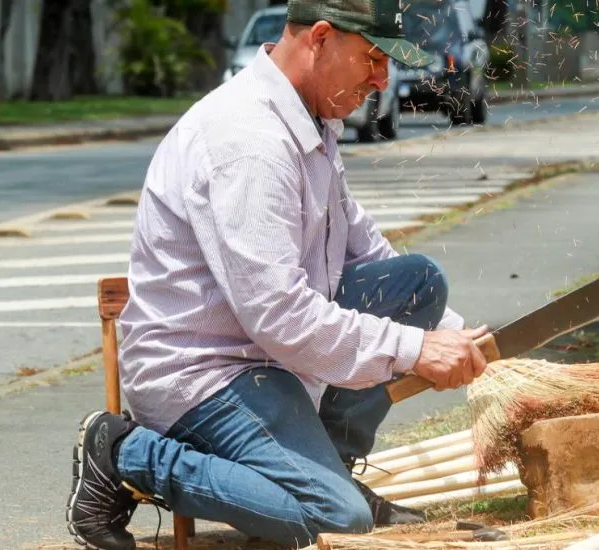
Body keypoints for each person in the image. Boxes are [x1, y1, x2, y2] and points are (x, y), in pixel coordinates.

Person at [64, 1, 489, 548]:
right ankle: (124, 452)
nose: (384, 78)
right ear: (320, 38)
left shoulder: (310, 119)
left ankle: (328, 465)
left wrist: (458, 338)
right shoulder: (249, 143)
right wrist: (414, 350)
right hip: (205, 376)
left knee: (417, 284)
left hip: (267, 357)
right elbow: (280, 315)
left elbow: (364, 250)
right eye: (373, 58)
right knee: (336, 519)